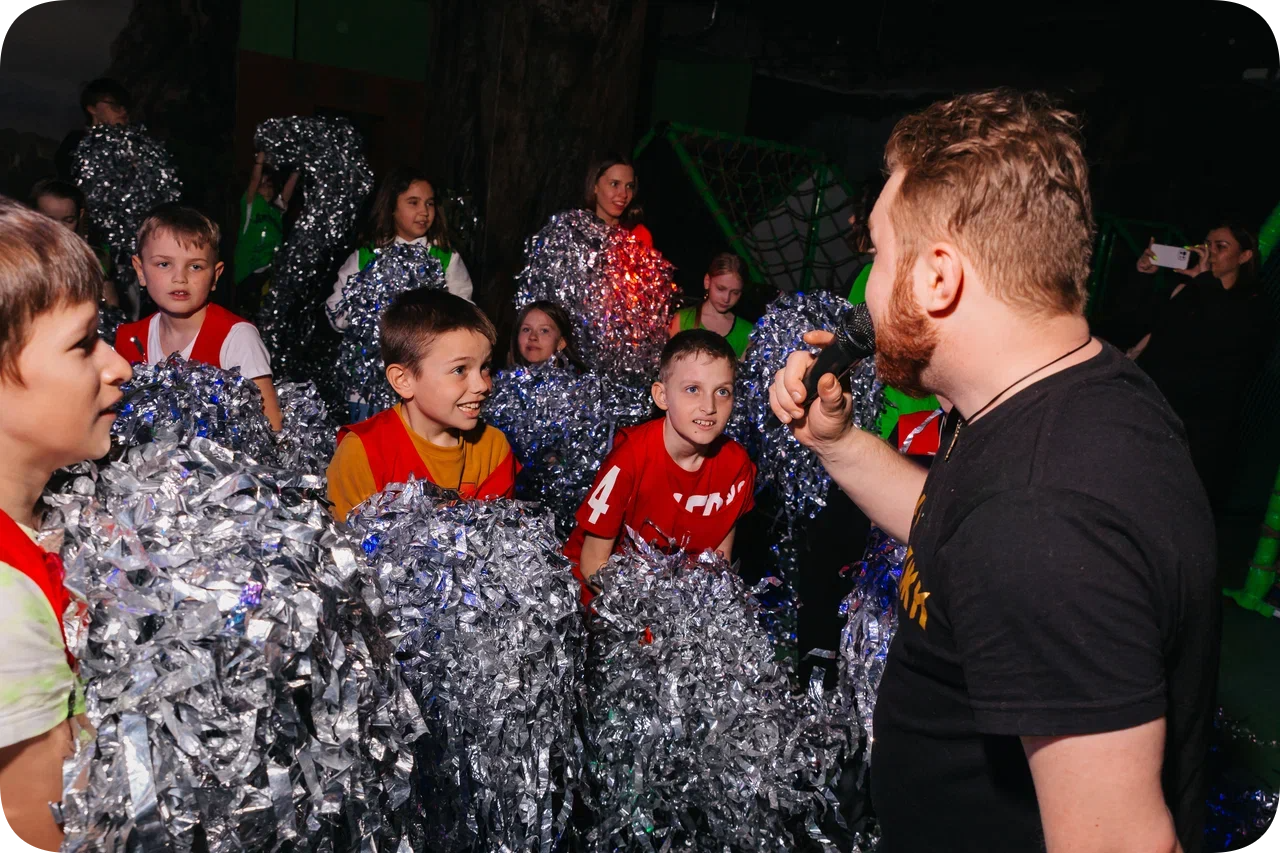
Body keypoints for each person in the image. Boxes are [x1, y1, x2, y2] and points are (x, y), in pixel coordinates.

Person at [769, 89, 1217, 853]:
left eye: (878, 253)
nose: (867, 287)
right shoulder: (1061, 395)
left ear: (938, 277)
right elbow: (955, 525)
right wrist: (837, 443)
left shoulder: (1046, 521)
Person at [0, 198, 133, 851]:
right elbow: (54, 830)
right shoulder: (5, 607)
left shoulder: (50, 521)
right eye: (83, 343)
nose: (119, 366)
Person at [564, 330, 756, 603]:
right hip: (601, 601)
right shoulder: (630, 458)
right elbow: (592, 565)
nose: (709, 406)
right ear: (662, 396)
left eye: (722, 391)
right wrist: (654, 615)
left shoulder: (737, 465)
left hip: (678, 603)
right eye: (693, 389)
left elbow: (718, 566)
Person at [326, 288, 518, 521]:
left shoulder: (494, 450)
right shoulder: (362, 453)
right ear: (403, 380)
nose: (482, 385)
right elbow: (344, 539)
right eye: (459, 370)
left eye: (485, 366)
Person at [1128, 224, 1273, 510]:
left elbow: (1224, 337)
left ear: (1244, 256)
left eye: (1221, 246)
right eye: (1207, 244)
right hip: (1155, 411)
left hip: (1201, 428)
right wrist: (1144, 276)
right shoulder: (1188, 291)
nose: (1210, 252)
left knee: (1178, 505)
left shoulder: (1253, 305)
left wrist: (1205, 281)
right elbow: (1138, 323)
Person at [114, 204, 282, 430]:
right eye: (164, 264)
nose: (180, 278)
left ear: (215, 276)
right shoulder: (129, 339)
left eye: (195, 266)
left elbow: (272, 428)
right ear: (140, 270)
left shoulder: (236, 338)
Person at [327, 167, 473, 322]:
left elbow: (464, 310)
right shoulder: (366, 255)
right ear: (391, 207)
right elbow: (336, 311)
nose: (424, 211)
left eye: (429, 203)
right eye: (413, 203)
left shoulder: (445, 256)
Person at [27, 178, 118, 306]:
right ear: (33, 216)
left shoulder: (96, 257)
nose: (60, 228)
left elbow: (112, 307)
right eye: (50, 221)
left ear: (80, 216)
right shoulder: (20, 257)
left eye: (68, 220)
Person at [234, 150, 299, 316]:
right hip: (248, 273)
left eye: (269, 184)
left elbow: (286, 195)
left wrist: (297, 171)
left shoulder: (275, 211)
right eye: (262, 184)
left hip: (268, 273)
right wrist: (260, 161)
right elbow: (254, 180)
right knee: (246, 314)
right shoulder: (251, 204)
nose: (266, 187)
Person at [667, 251, 753, 358]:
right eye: (720, 289)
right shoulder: (682, 319)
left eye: (735, 292)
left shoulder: (746, 332)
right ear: (707, 281)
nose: (726, 298)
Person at [54, 78, 132, 181]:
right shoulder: (75, 143)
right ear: (92, 109)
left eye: (126, 106)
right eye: (115, 104)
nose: (123, 110)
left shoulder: (130, 144)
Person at [585, 153, 652, 249]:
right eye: (614, 184)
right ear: (595, 186)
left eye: (629, 186)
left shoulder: (639, 235)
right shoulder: (575, 231)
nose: (624, 194)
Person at [508, 300, 584, 369]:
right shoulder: (505, 378)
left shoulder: (577, 380)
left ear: (561, 343)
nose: (532, 337)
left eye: (544, 331)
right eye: (526, 329)